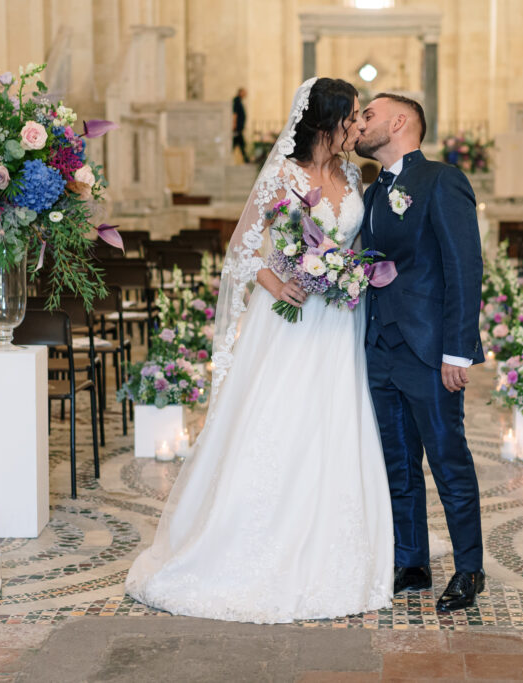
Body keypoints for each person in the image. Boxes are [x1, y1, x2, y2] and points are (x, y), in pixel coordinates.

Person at [125, 78, 394, 624]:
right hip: (290, 318)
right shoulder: (283, 174)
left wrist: (348, 274)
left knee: (335, 421)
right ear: (328, 121)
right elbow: (242, 250)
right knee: (281, 420)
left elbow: (358, 244)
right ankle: (248, 539)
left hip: (339, 320)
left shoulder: (351, 173)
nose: (359, 127)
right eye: (353, 118)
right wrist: (278, 281)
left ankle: (337, 540)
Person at [355, 94, 487, 612]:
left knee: (448, 459)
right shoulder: (370, 192)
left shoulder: (441, 180)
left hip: (431, 350)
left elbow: (464, 266)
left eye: (368, 116)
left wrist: (459, 350)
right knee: (398, 461)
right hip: (380, 346)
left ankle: (470, 569)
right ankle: (411, 561)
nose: (360, 125)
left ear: (399, 121)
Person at [232, 87, 250, 163]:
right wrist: (234, 124)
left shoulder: (239, 101)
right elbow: (234, 114)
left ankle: (246, 159)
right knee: (240, 143)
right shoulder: (236, 101)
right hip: (237, 128)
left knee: (238, 143)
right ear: (240, 92)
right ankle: (246, 160)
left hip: (239, 128)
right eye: (244, 92)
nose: (245, 94)